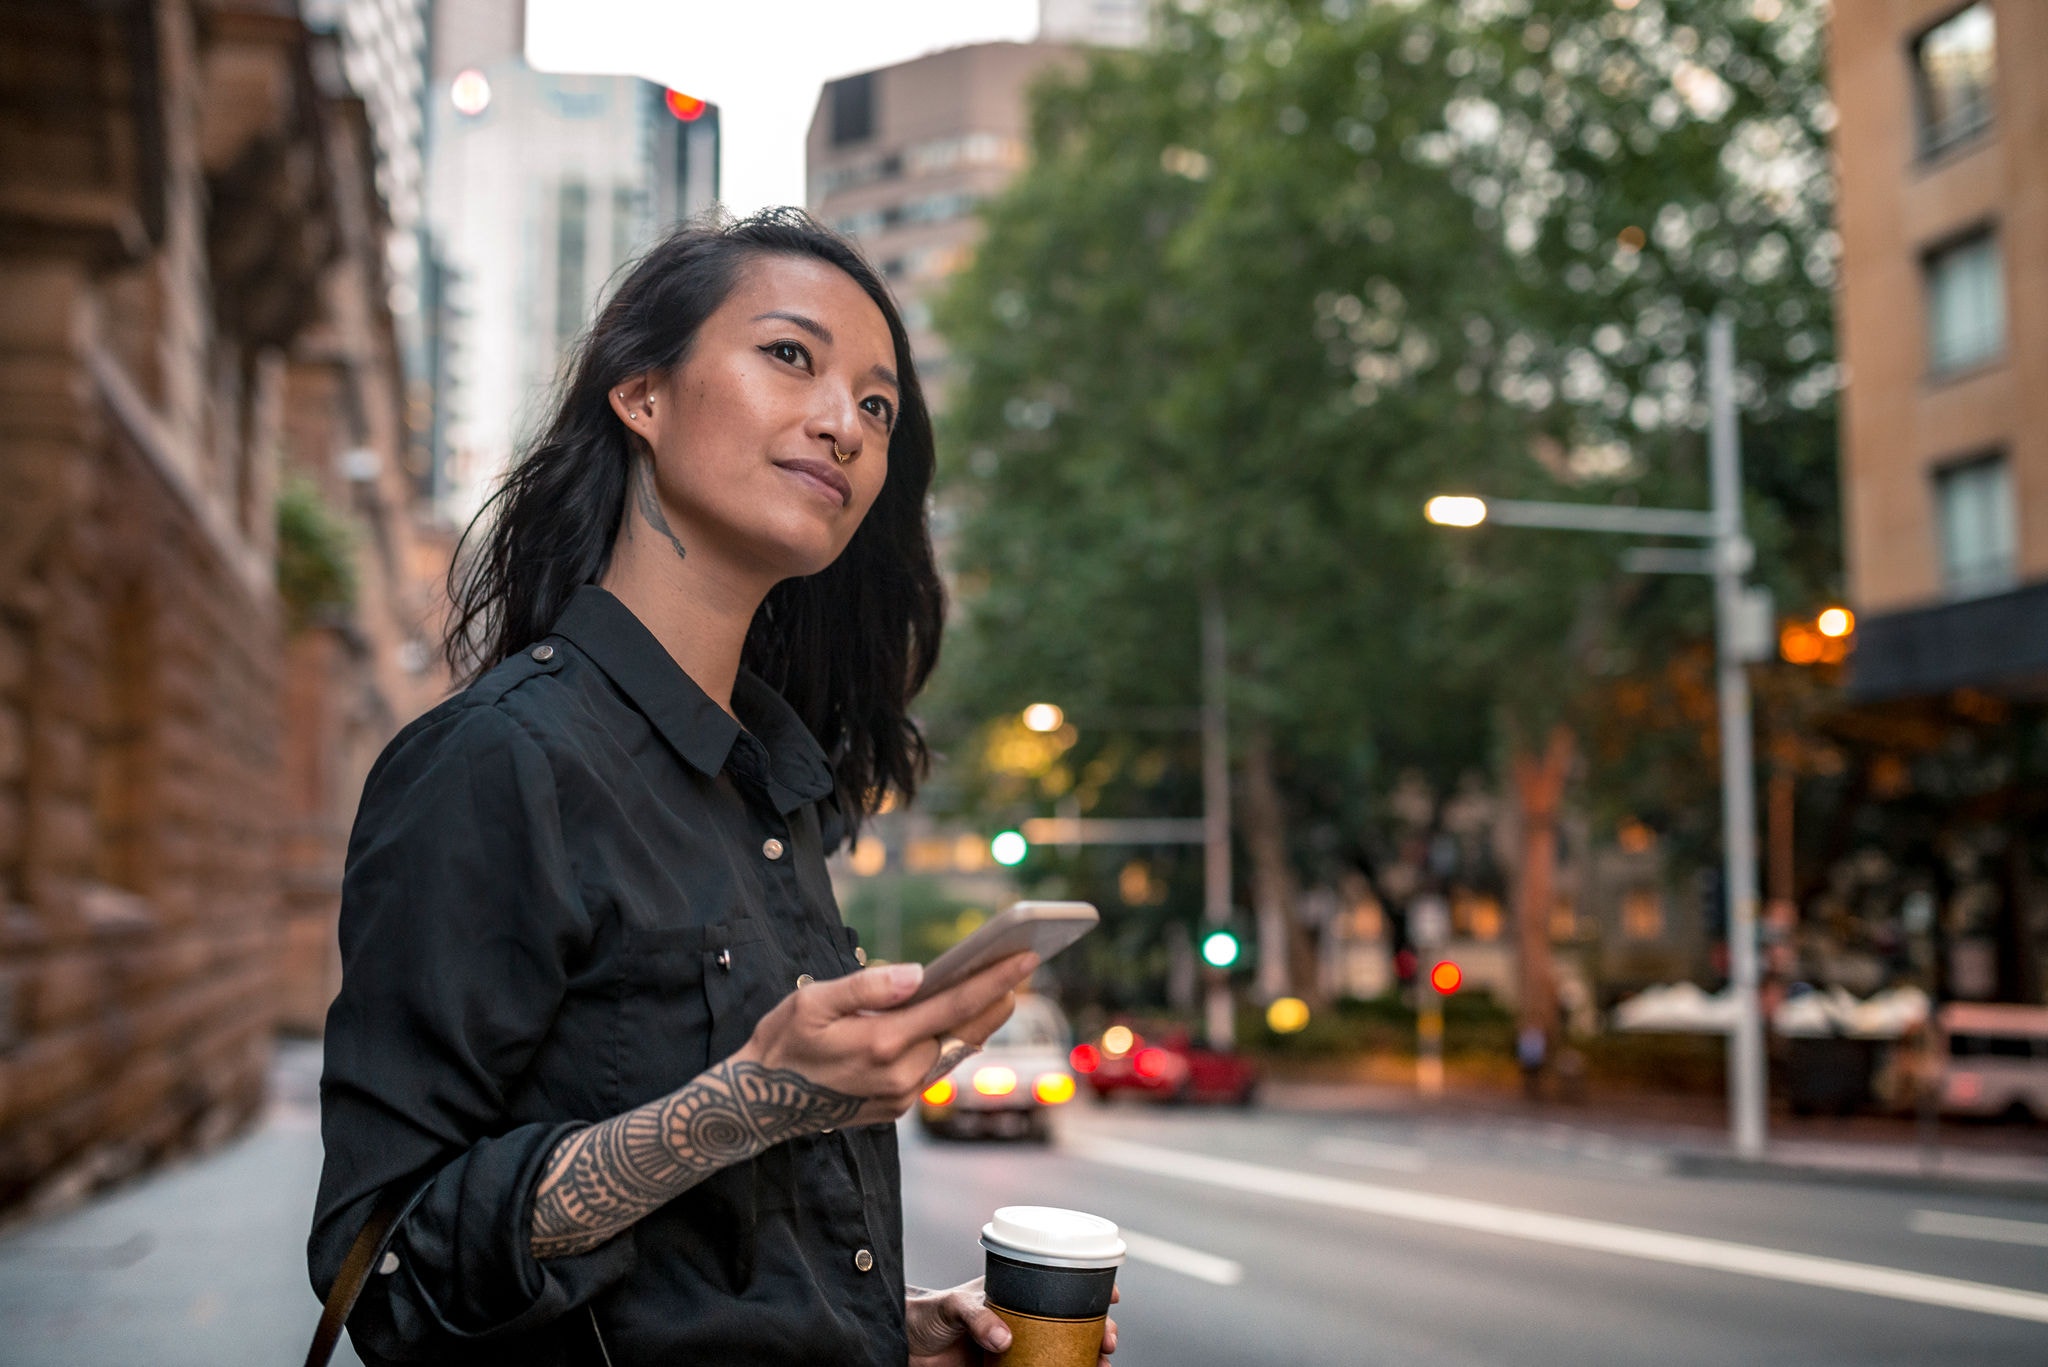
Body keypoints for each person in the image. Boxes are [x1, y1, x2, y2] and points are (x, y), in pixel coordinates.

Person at [309, 210, 1119, 1367]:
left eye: (878, 405)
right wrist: (751, 1094)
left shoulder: (773, 793)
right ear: (641, 394)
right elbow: (385, 1264)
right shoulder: (499, 760)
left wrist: (875, 1332)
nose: (843, 422)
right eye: (790, 356)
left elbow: (686, 1288)